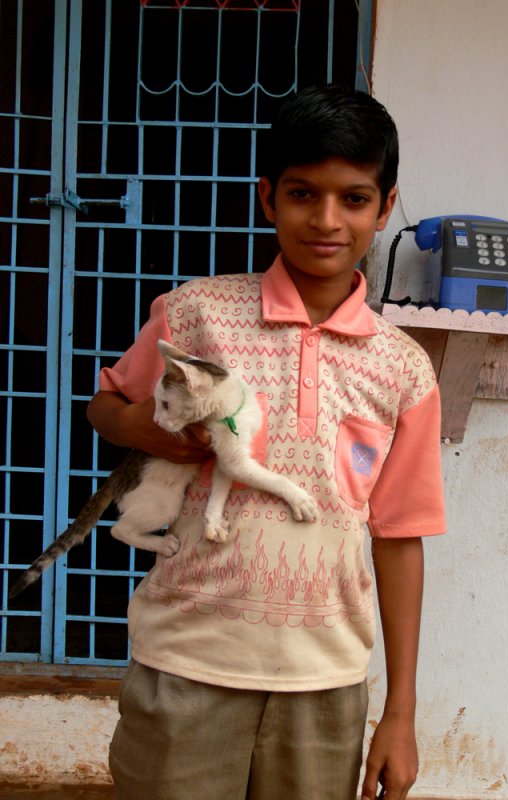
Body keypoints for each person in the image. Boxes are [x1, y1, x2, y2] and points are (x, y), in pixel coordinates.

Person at [87, 85, 446, 800]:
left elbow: (400, 535)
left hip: (326, 684)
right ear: (267, 198)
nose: (326, 220)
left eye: (353, 198)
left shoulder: (403, 366)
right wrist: (135, 424)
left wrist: (399, 711)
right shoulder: (195, 313)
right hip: (184, 666)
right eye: (303, 193)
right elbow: (108, 404)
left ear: (384, 206)